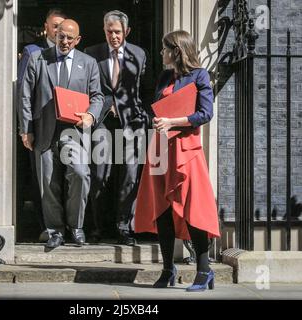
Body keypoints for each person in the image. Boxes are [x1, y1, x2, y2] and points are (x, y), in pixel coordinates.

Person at [134, 30, 220, 291]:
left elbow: (205, 113)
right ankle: (168, 269)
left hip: (185, 149)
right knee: (162, 209)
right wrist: (158, 120)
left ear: (177, 51)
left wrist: (172, 121)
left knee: (192, 207)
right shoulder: (164, 76)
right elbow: (159, 107)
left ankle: (204, 271)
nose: (162, 53)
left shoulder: (200, 75)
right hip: (160, 148)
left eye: (165, 48)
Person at [18, 19, 104, 249]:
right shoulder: (38, 59)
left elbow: (98, 97)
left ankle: (76, 226)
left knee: (79, 173)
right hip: (44, 130)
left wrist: (91, 116)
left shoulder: (88, 63)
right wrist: (26, 129)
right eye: (61, 36)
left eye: (69, 38)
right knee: (48, 182)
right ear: (54, 34)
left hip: (74, 131)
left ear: (78, 40)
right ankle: (54, 230)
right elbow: (25, 96)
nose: (64, 41)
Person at [85, 10, 149, 246]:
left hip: (132, 123)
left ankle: (124, 227)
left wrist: (145, 116)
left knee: (130, 176)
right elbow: (89, 89)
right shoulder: (92, 54)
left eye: (118, 32)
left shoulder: (139, 55)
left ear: (127, 32)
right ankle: (97, 227)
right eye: (110, 31)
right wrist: (106, 107)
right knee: (99, 174)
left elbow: (145, 88)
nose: (113, 36)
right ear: (104, 30)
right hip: (102, 121)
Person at [17, 9, 66, 242]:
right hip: (39, 127)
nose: (59, 31)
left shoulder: (74, 54)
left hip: (67, 128)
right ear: (45, 27)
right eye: (55, 26)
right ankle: (44, 225)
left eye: (62, 26)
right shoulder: (32, 51)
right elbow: (24, 93)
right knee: (42, 179)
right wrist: (25, 127)